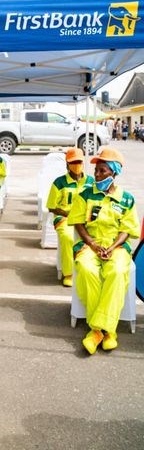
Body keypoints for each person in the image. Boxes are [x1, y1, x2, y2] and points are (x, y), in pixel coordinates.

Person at [68, 147, 140, 354]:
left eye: (103, 171)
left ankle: (97, 331)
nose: (97, 175)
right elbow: (78, 223)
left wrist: (113, 246)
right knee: (87, 268)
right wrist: (91, 244)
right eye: (96, 170)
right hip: (90, 245)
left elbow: (127, 229)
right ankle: (108, 332)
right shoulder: (85, 195)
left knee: (117, 272)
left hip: (115, 246)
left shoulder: (126, 198)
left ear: (114, 173)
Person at [46, 148, 94, 287]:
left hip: (86, 219)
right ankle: (69, 273)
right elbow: (51, 206)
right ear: (67, 164)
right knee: (68, 237)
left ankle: (87, 269)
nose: (77, 165)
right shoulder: (59, 182)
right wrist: (69, 214)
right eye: (73, 162)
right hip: (64, 218)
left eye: (79, 161)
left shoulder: (91, 181)